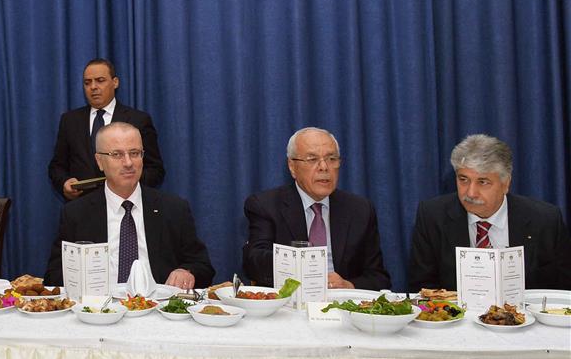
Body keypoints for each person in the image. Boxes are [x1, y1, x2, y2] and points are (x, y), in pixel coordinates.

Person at [45, 122, 213, 290]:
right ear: (100, 161)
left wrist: (186, 271)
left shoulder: (173, 208)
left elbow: (203, 267)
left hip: (157, 308)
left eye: (134, 153)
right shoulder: (77, 213)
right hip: (101, 310)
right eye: (117, 154)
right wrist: (78, 277)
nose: (128, 163)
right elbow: (53, 276)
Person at [408, 134, 571, 292]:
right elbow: (422, 288)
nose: (470, 193)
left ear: (505, 183)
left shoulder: (544, 220)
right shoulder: (432, 216)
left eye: (483, 182)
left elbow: (563, 290)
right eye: (463, 179)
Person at [241, 127, 390, 290]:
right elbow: (254, 262)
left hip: (343, 305)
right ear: (292, 167)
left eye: (332, 159)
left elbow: (378, 278)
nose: (324, 167)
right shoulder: (265, 205)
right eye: (312, 159)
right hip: (290, 304)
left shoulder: (360, 209)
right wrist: (304, 269)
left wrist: (348, 285)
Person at [49, 58, 164, 200]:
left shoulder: (138, 120)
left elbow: (155, 170)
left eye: (100, 80)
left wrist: (128, 184)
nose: (93, 87)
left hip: (125, 206)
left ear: (115, 82)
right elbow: (57, 167)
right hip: (83, 209)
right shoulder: (69, 120)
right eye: (87, 82)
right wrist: (64, 183)